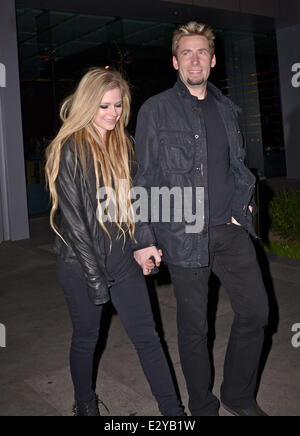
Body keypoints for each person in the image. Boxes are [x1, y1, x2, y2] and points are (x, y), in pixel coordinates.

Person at [133, 22, 269, 416]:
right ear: (176, 61)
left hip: (229, 231)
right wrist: (144, 237)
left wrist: (245, 206)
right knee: (195, 330)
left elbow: (236, 166)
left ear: (213, 59)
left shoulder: (227, 108)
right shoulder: (155, 110)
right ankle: (203, 406)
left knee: (257, 312)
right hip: (183, 234)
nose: (196, 60)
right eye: (187, 53)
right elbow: (144, 178)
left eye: (202, 53)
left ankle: (238, 394)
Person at [45, 67, 185, 417]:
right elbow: (74, 222)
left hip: (122, 258)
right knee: (87, 338)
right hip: (81, 263)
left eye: (118, 106)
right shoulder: (70, 149)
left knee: (148, 338)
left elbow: (133, 202)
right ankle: (86, 404)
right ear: (87, 104)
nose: (112, 114)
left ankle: (173, 412)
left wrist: (144, 243)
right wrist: (95, 278)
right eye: (104, 106)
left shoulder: (123, 144)